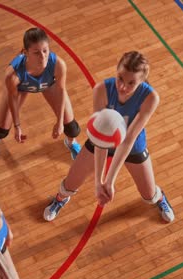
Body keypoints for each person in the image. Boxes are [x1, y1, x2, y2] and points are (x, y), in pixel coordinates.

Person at [43, 51, 175, 223]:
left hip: (132, 146)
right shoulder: (102, 90)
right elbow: (101, 137)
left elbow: (128, 140)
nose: (123, 87)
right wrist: (99, 182)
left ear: (142, 81)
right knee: (71, 182)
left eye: (131, 83)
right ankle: (60, 198)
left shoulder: (150, 98)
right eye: (120, 78)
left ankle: (160, 199)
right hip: (102, 140)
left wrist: (109, 180)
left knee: (149, 195)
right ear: (116, 71)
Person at [0, 27, 82, 160]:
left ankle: (71, 143)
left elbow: (61, 90)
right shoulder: (12, 74)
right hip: (21, 87)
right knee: (1, 128)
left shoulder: (59, 64)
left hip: (49, 85)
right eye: (36, 53)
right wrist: (17, 126)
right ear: (25, 52)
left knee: (71, 127)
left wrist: (60, 122)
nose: (43, 56)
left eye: (45, 51)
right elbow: (12, 98)